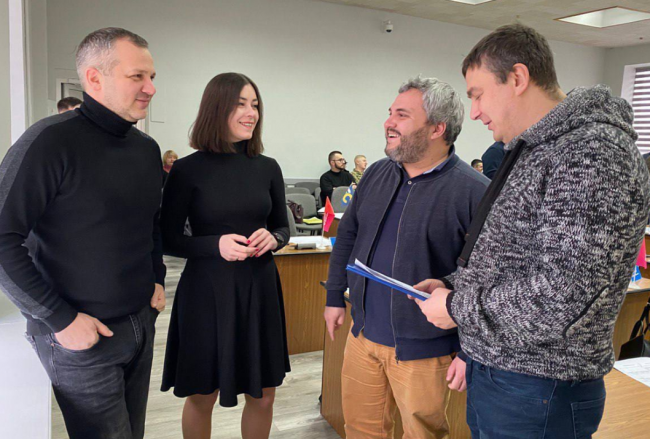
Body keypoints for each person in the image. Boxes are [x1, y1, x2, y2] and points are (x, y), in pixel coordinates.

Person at [413, 23, 650, 438]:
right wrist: (454, 286)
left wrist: (456, 307)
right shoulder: (536, 147)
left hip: (540, 387)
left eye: (478, 94)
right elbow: (513, 255)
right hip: (505, 375)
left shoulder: (592, 152)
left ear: (518, 78)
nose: (474, 112)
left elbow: (561, 296)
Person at [0, 28, 165, 439]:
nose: (151, 88)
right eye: (137, 76)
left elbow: (151, 222)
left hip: (139, 325)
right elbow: (3, 238)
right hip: (78, 336)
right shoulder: (49, 142)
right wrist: (60, 319)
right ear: (94, 78)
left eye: (151, 76)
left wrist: (157, 276)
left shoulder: (145, 149)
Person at [324, 76, 489, 439]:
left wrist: (469, 351)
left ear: (437, 128)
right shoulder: (377, 173)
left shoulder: (474, 192)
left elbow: (485, 276)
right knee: (360, 430)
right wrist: (334, 295)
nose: (388, 122)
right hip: (363, 334)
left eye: (402, 115)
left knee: (422, 435)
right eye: (390, 113)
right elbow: (348, 235)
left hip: (425, 350)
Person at [160, 72, 290, 439]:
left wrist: (274, 238)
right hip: (207, 292)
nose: (252, 113)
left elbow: (282, 227)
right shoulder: (187, 170)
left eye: (255, 105)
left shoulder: (267, 167)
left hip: (259, 289)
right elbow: (167, 238)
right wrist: (213, 245)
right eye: (240, 104)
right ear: (217, 109)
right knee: (202, 394)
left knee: (263, 395)